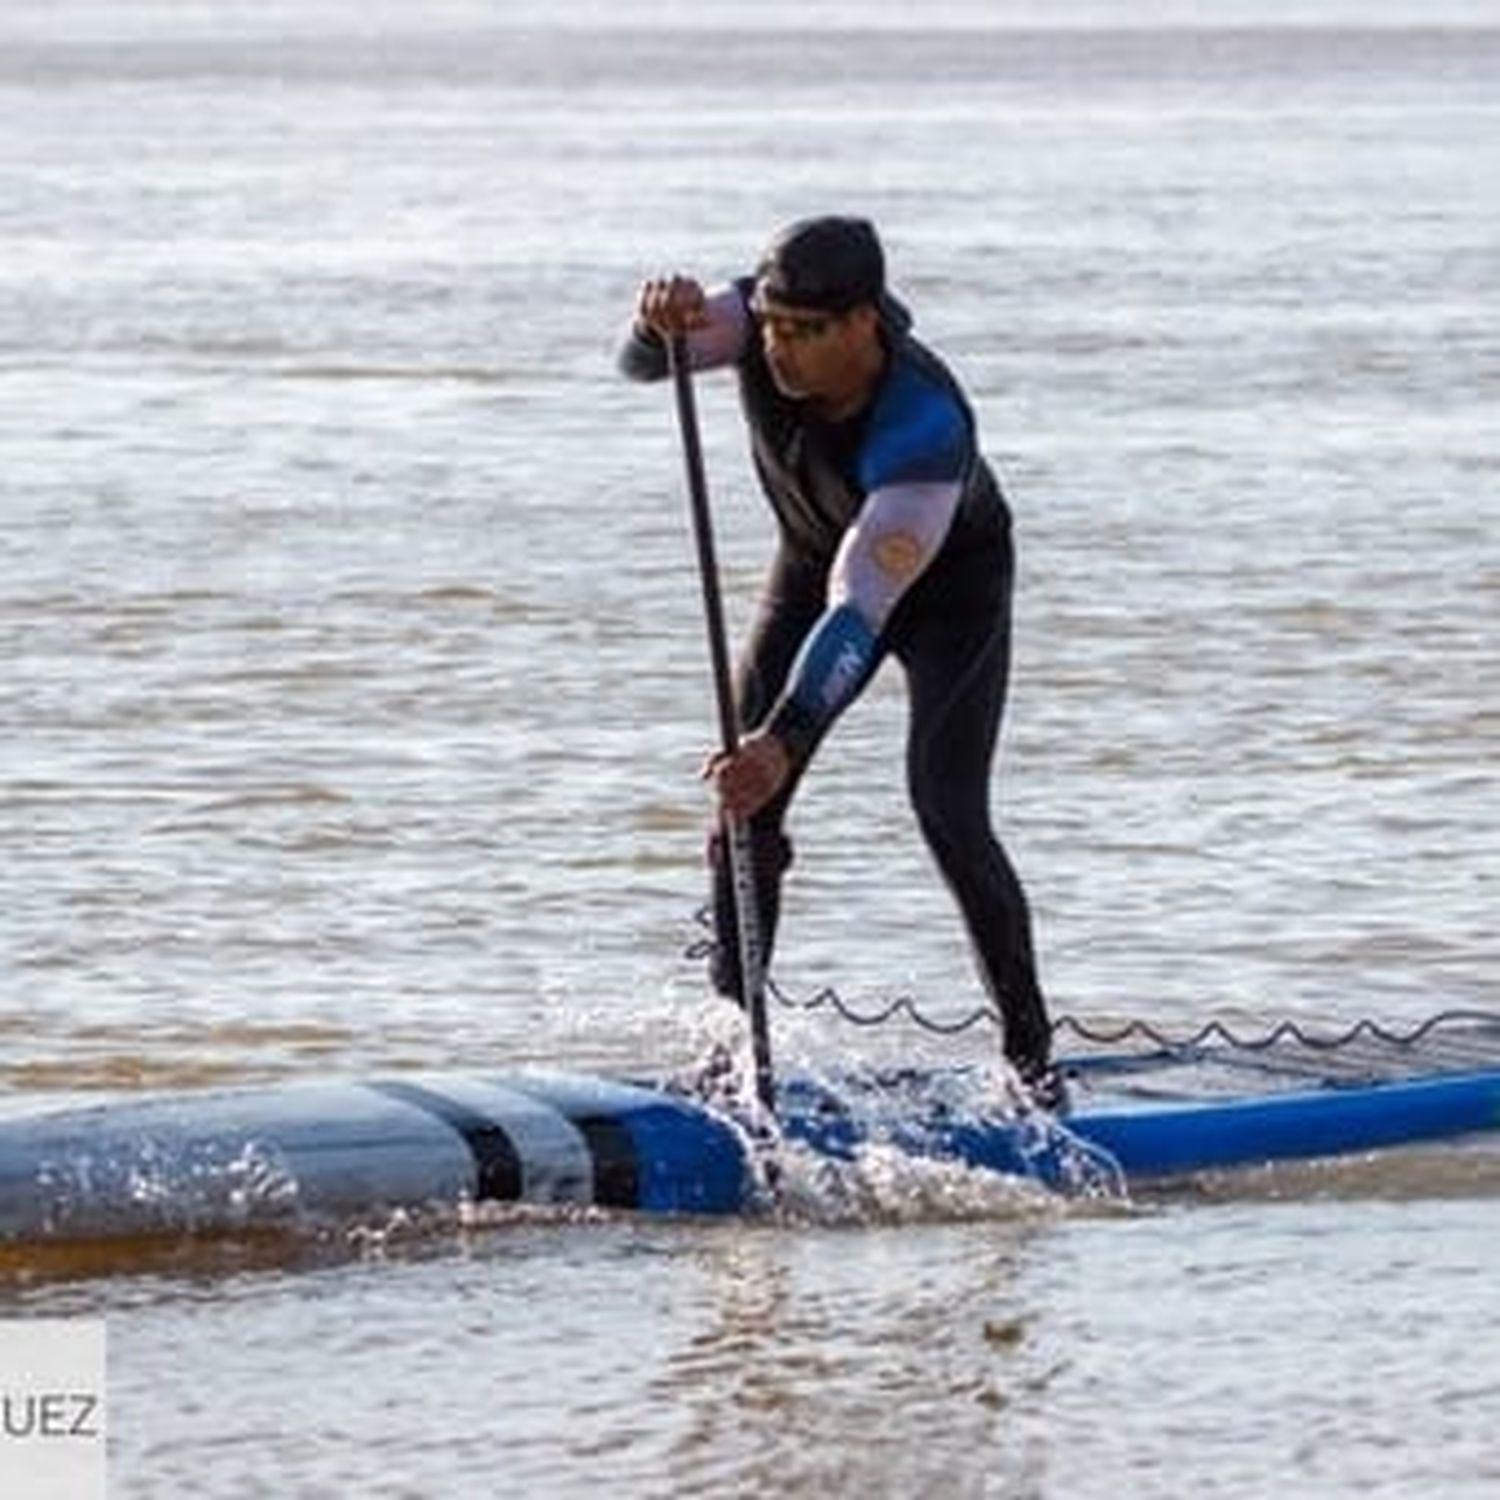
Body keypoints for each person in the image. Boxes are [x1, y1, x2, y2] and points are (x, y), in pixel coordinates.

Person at [619, 215, 1060, 1106]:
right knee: (744, 805)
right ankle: (735, 1060)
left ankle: (1031, 1061)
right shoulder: (751, 317)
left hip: (948, 596)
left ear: (864, 323)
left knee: (946, 806)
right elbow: (638, 365)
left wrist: (782, 737)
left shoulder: (924, 428)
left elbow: (860, 611)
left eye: (805, 332)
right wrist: (655, 322)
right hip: (808, 562)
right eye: (772, 324)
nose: (778, 348)